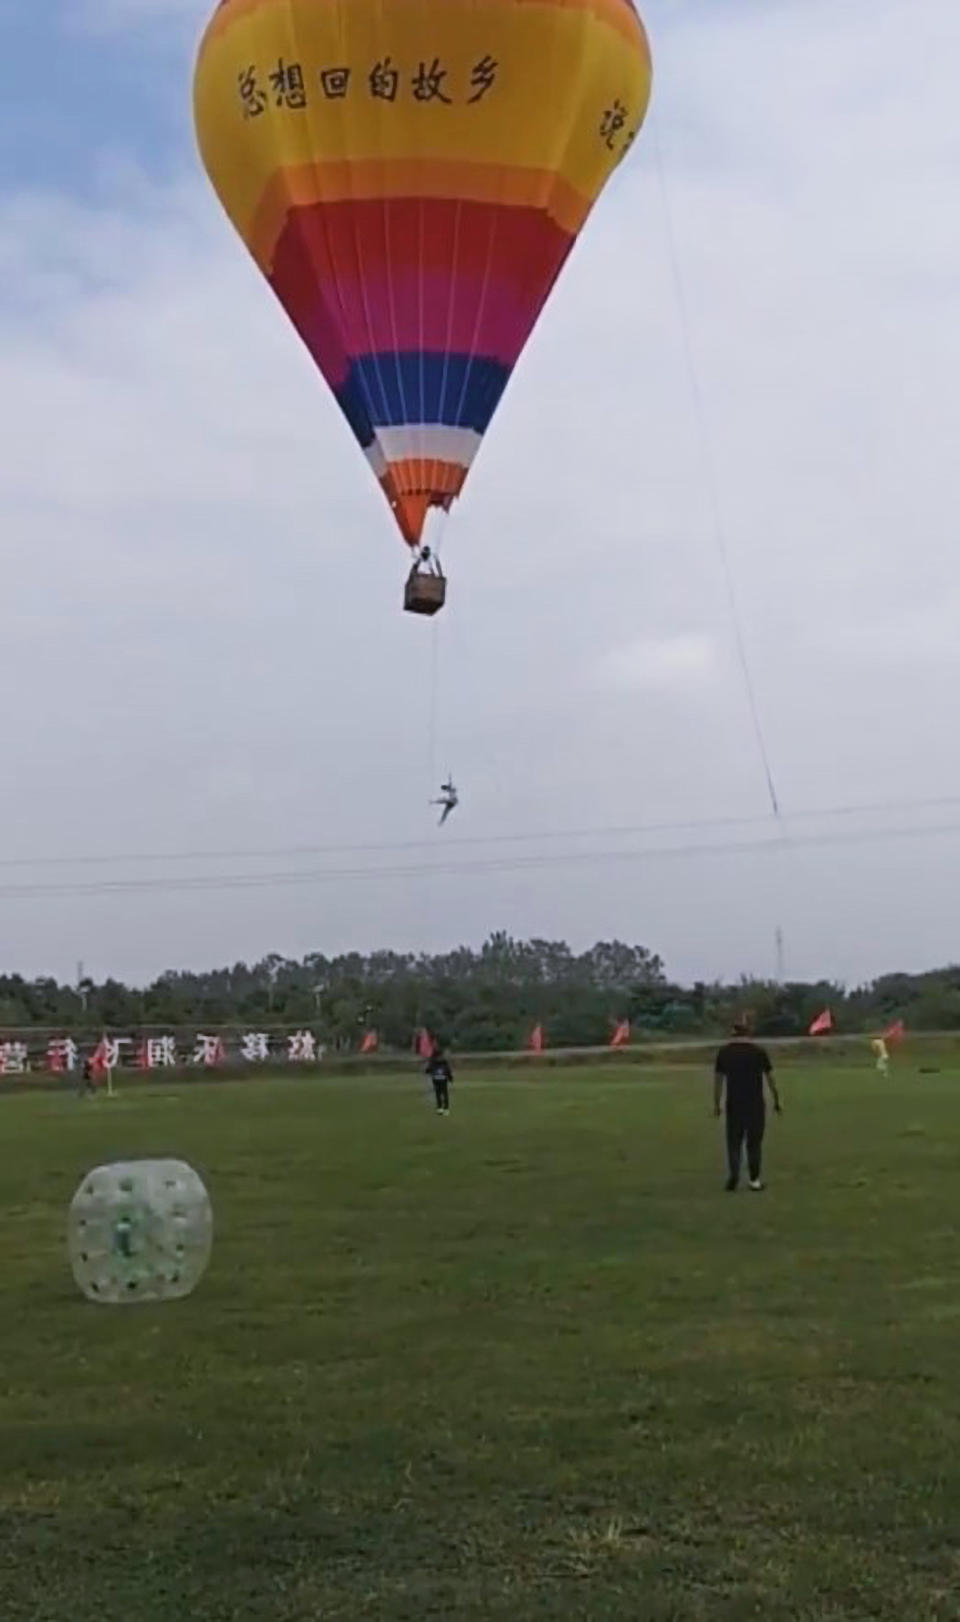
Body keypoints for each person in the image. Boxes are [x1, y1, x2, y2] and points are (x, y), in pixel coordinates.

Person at [713, 1019, 781, 1191]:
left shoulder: (724, 1052)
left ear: (733, 1034)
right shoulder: (758, 1052)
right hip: (755, 1104)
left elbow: (718, 1081)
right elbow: (770, 1078)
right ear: (747, 1034)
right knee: (754, 1144)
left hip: (734, 1104)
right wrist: (777, 1100)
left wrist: (716, 1104)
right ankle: (754, 1180)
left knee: (734, 1142)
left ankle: (734, 1174)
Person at [425, 1045, 453, 1114]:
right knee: (445, 1093)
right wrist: (450, 1078)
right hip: (443, 1078)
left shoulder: (432, 1061)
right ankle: (446, 1109)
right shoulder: (444, 1061)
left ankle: (440, 1108)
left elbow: (428, 1070)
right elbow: (448, 1070)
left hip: (436, 1079)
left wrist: (428, 1071)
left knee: (438, 1094)